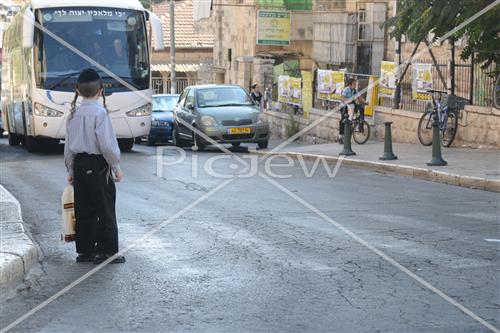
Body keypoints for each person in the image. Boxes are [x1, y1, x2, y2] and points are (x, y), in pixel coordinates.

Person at [64, 68, 125, 265]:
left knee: (84, 208)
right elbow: (107, 145)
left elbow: (68, 147)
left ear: (77, 90)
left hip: (80, 164)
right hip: (98, 165)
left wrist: (71, 170)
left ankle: (85, 251)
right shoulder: (100, 114)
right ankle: (106, 251)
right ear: (101, 90)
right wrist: (115, 167)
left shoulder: (73, 115)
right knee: (104, 207)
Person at [339, 78, 366, 144]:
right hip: (344, 106)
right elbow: (342, 98)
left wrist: (365, 102)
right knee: (343, 120)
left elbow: (359, 97)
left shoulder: (354, 90)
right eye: (354, 84)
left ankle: (360, 124)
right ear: (350, 85)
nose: (355, 85)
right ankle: (340, 136)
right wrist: (347, 100)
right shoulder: (346, 90)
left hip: (351, 105)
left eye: (355, 84)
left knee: (361, 108)